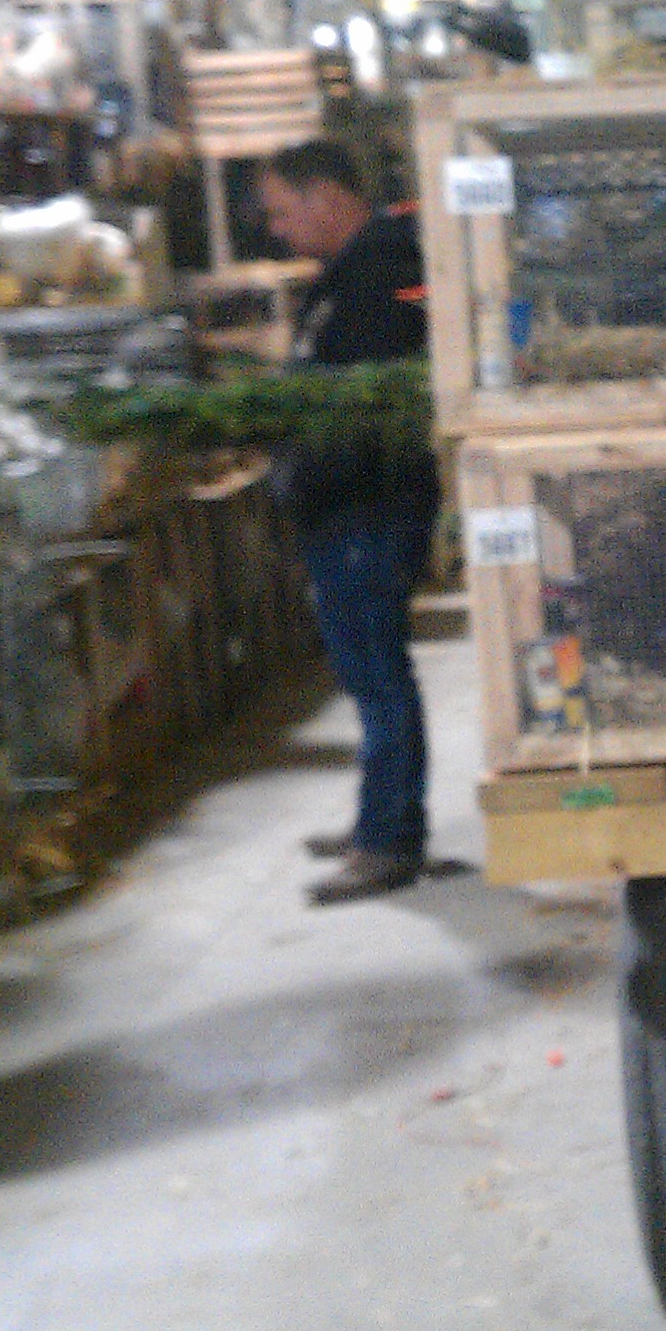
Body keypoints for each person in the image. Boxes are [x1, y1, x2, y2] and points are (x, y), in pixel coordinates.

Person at [260, 140, 440, 906]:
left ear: (327, 198)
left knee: (377, 674)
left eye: (282, 212)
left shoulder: (378, 273)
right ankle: (382, 817)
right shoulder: (353, 271)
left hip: (369, 508)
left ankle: (388, 840)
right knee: (368, 675)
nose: (277, 230)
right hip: (347, 508)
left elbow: (362, 401)